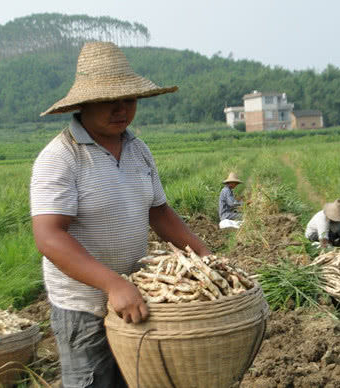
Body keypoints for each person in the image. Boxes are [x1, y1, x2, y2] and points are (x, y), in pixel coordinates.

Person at [30, 42, 211, 388]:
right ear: (83, 103)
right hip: (84, 307)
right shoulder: (61, 157)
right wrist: (113, 283)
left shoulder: (137, 149)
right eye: (108, 101)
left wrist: (205, 255)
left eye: (128, 99)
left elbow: (159, 213)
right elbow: (49, 236)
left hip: (136, 300)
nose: (121, 109)